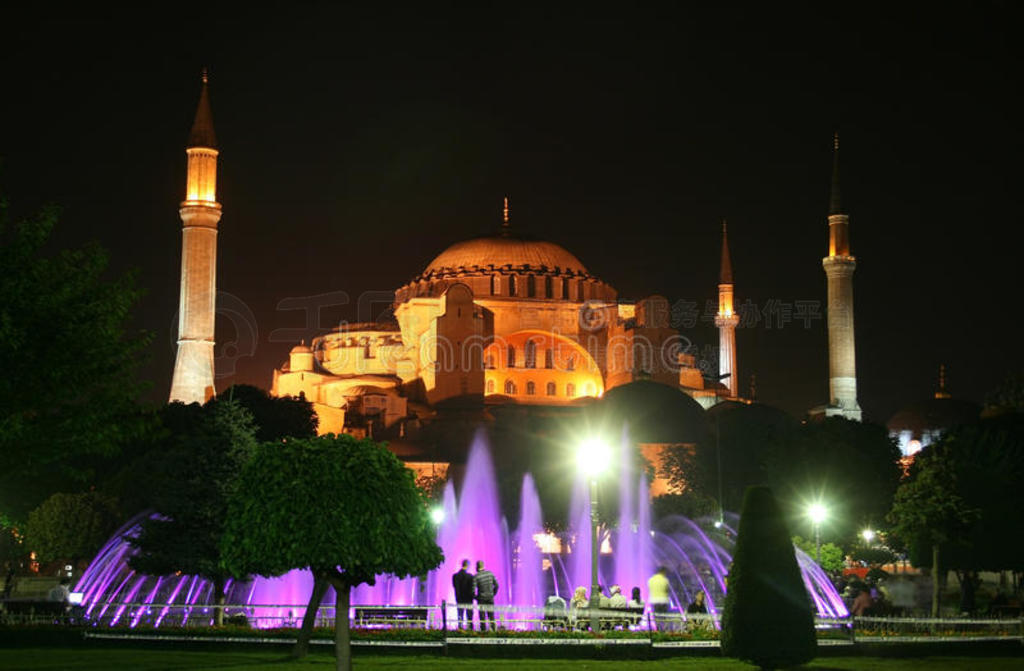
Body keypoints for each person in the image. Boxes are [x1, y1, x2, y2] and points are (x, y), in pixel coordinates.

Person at [473, 560, 499, 631]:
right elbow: (497, 585)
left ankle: (483, 633)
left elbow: (472, 590)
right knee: (491, 616)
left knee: (482, 617)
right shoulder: (490, 574)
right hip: (490, 598)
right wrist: (493, 594)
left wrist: (476, 598)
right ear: (483, 566)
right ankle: (494, 631)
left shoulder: (476, 576)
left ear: (477, 567)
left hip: (481, 599)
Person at [452, 559, 475, 630]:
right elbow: (472, 588)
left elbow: (455, 587)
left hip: (459, 598)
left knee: (460, 614)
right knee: (469, 615)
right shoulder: (470, 576)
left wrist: (458, 596)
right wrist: (473, 596)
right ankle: (470, 628)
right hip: (468, 599)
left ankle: (460, 628)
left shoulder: (455, 576)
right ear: (467, 565)